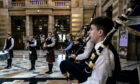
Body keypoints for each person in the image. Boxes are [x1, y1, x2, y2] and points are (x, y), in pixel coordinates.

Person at [60, 16, 115, 84]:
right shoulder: (99, 49)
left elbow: (96, 82)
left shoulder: (103, 54)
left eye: (91, 29)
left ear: (100, 32)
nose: (88, 32)